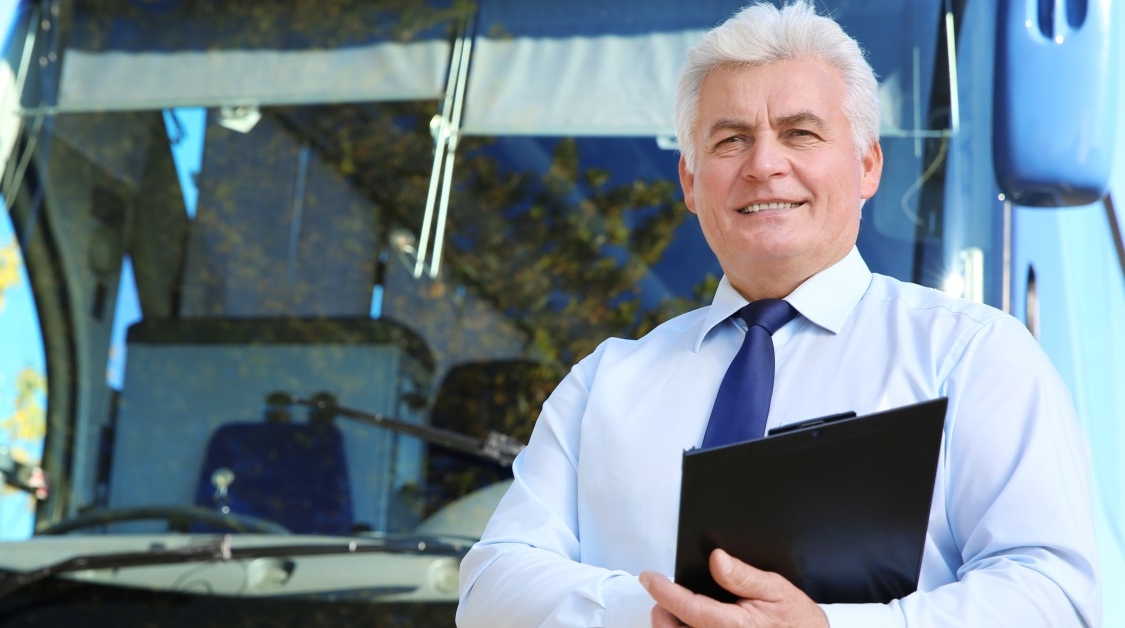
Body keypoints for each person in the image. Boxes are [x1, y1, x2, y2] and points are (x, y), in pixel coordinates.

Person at [455, 2, 1101, 626]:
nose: (765, 164)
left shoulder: (972, 355)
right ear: (688, 180)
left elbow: (1053, 595)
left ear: (868, 164)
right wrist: (661, 615)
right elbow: (492, 587)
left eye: (800, 133)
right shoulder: (603, 383)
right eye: (731, 140)